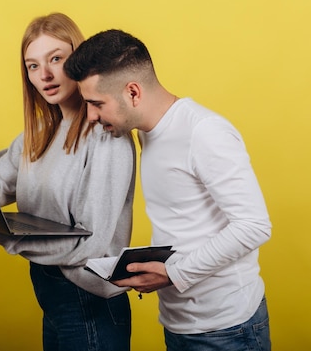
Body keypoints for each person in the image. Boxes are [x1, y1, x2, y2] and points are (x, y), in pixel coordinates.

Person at [63, 29, 272, 351]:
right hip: (179, 322)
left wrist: (174, 273)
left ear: (133, 92)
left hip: (227, 329)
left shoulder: (204, 132)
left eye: (96, 103)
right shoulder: (145, 132)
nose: (90, 116)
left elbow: (254, 226)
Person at [0, 14, 136, 351]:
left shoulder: (107, 136)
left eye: (56, 59)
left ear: (78, 60)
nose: (45, 75)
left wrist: (3, 237)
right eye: (33, 66)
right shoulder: (36, 135)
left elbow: (92, 244)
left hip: (89, 298)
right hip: (50, 290)